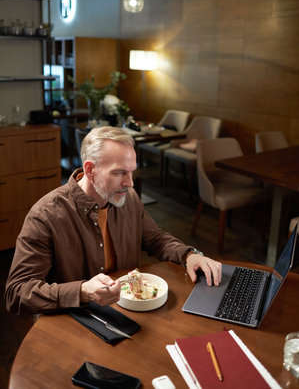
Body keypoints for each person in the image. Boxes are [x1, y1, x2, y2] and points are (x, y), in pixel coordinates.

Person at [5, 126, 222, 315]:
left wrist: (188, 255)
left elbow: (155, 239)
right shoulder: (45, 215)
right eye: (119, 173)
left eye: (131, 172)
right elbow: (17, 292)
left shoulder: (128, 198)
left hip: (126, 310)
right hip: (73, 318)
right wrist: (82, 292)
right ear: (90, 170)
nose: (130, 183)